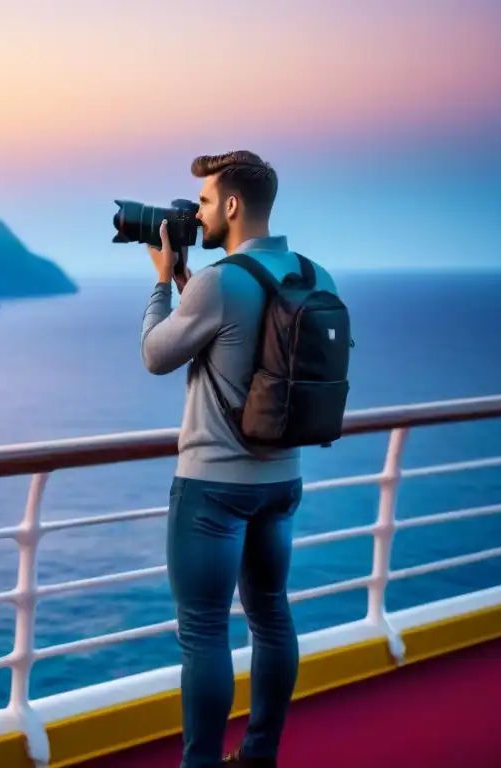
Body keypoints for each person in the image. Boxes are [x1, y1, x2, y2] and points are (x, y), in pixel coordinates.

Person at [140, 151, 340, 768]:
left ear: (230, 206)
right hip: (282, 482)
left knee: (202, 632)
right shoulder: (315, 275)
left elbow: (156, 353)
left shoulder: (220, 283)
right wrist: (188, 284)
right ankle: (259, 756)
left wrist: (160, 279)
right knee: (271, 617)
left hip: (213, 490)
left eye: (202, 202)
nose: (196, 213)